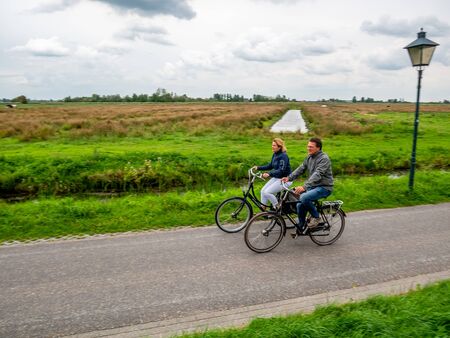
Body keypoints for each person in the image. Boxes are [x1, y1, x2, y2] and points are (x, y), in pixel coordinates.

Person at [282, 137, 333, 237]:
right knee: (299, 205)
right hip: (314, 187)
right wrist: (289, 178)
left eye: (311, 147)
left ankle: (316, 217)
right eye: (308, 146)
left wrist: (305, 186)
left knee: (304, 197)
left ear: (318, 148)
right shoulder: (309, 157)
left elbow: (318, 174)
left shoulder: (324, 159)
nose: (308, 148)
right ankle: (301, 226)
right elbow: (301, 169)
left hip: (324, 187)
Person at [253, 138, 292, 210]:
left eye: (274, 145)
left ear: (279, 147)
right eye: (272, 145)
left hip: (286, 179)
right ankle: (263, 210)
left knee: (267, 192)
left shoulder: (283, 156)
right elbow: (270, 166)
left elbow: (281, 170)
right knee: (262, 191)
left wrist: (269, 174)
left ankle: (277, 208)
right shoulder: (275, 154)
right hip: (277, 178)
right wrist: (258, 168)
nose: (272, 147)